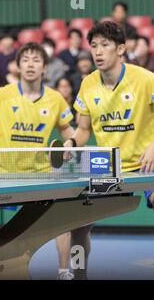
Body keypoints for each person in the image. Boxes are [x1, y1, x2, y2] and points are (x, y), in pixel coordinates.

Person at [0, 42, 76, 280]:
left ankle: (65, 271)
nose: (30, 65)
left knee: (62, 222)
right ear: (18, 66)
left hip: (41, 174)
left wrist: (71, 143)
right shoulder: (3, 94)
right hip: (4, 173)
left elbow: (68, 130)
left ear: (45, 68)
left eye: (36, 60)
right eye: (25, 60)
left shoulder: (56, 99)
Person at [65, 21, 154, 280]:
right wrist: (71, 143)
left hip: (145, 162)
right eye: (93, 46)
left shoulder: (146, 80)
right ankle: (79, 275)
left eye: (105, 45)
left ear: (121, 49)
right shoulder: (88, 84)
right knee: (79, 225)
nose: (98, 52)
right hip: (107, 164)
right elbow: (83, 129)